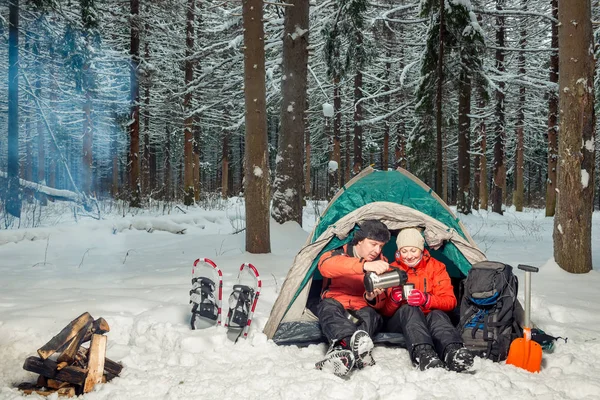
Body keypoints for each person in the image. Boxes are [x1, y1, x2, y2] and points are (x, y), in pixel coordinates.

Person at [380, 227, 475, 372]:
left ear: (421, 249)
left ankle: (453, 351)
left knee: (437, 314)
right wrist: (393, 300)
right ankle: (424, 354)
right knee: (409, 308)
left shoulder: (436, 267)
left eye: (413, 250)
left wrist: (427, 300)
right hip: (402, 321)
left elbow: (450, 301)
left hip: (429, 317)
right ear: (398, 251)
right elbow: (383, 312)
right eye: (404, 251)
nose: (409, 256)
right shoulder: (391, 270)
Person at [314, 219, 391, 377]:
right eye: (373, 244)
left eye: (381, 246)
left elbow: (383, 301)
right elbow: (326, 266)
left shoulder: (382, 263)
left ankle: (344, 350)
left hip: (362, 306)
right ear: (360, 240)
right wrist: (363, 265)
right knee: (327, 307)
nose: (377, 250)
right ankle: (352, 349)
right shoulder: (338, 251)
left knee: (371, 316)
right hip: (336, 302)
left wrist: (371, 298)